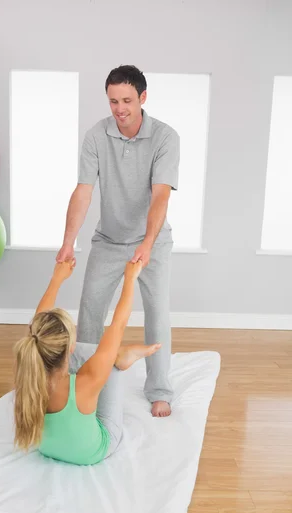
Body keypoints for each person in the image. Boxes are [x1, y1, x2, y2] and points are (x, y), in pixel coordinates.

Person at [56, 65, 180, 418]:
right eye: (113, 101)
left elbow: (160, 197)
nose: (120, 108)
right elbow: (83, 191)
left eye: (127, 100)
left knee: (157, 314)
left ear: (142, 97)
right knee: (91, 311)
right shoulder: (97, 135)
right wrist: (68, 241)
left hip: (152, 241)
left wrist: (147, 242)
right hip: (108, 240)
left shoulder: (166, 137)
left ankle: (159, 390)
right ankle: (86, 380)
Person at [13, 258, 161, 466]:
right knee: (110, 363)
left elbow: (38, 327)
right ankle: (120, 357)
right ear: (70, 347)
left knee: (56, 344)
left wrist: (57, 278)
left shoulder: (27, 368)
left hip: (46, 448)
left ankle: (117, 354)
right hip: (92, 453)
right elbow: (118, 325)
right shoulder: (85, 382)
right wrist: (130, 278)